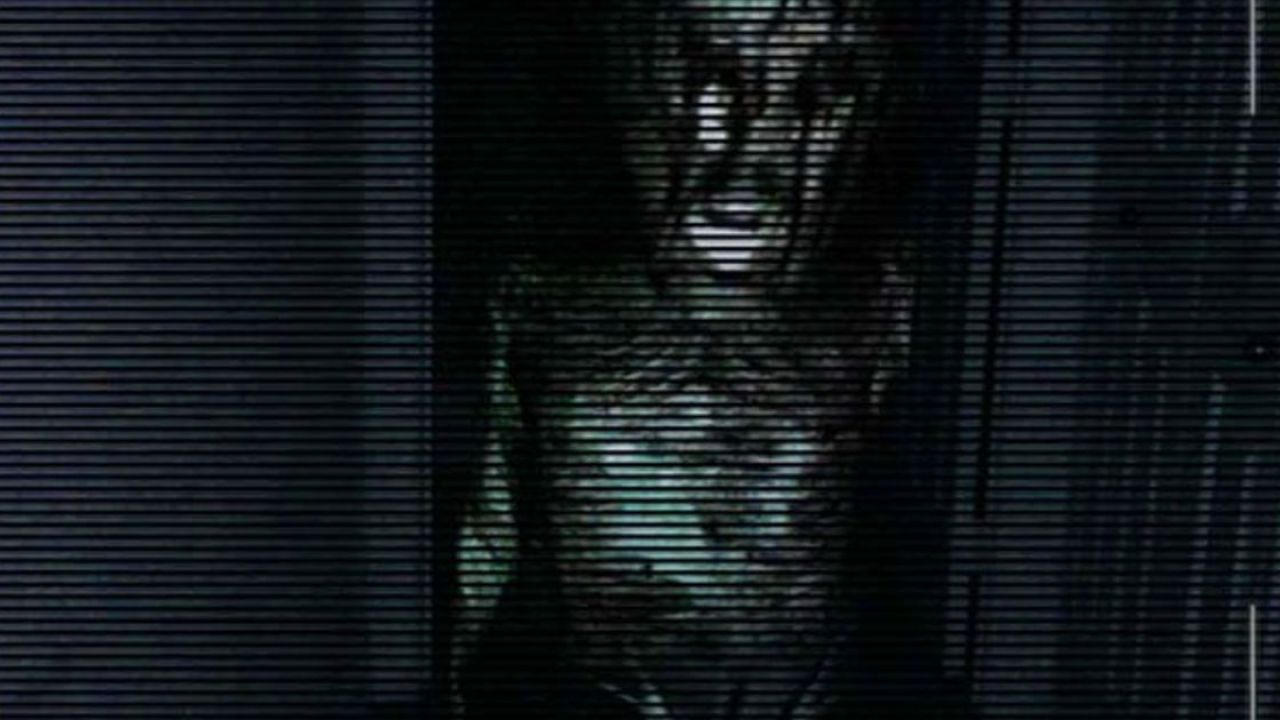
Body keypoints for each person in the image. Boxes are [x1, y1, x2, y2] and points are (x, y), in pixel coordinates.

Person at [449, 1, 952, 717]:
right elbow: (486, 530)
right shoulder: (539, 297)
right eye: (711, 81)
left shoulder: (878, 298)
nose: (757, 153)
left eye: (821, 92)